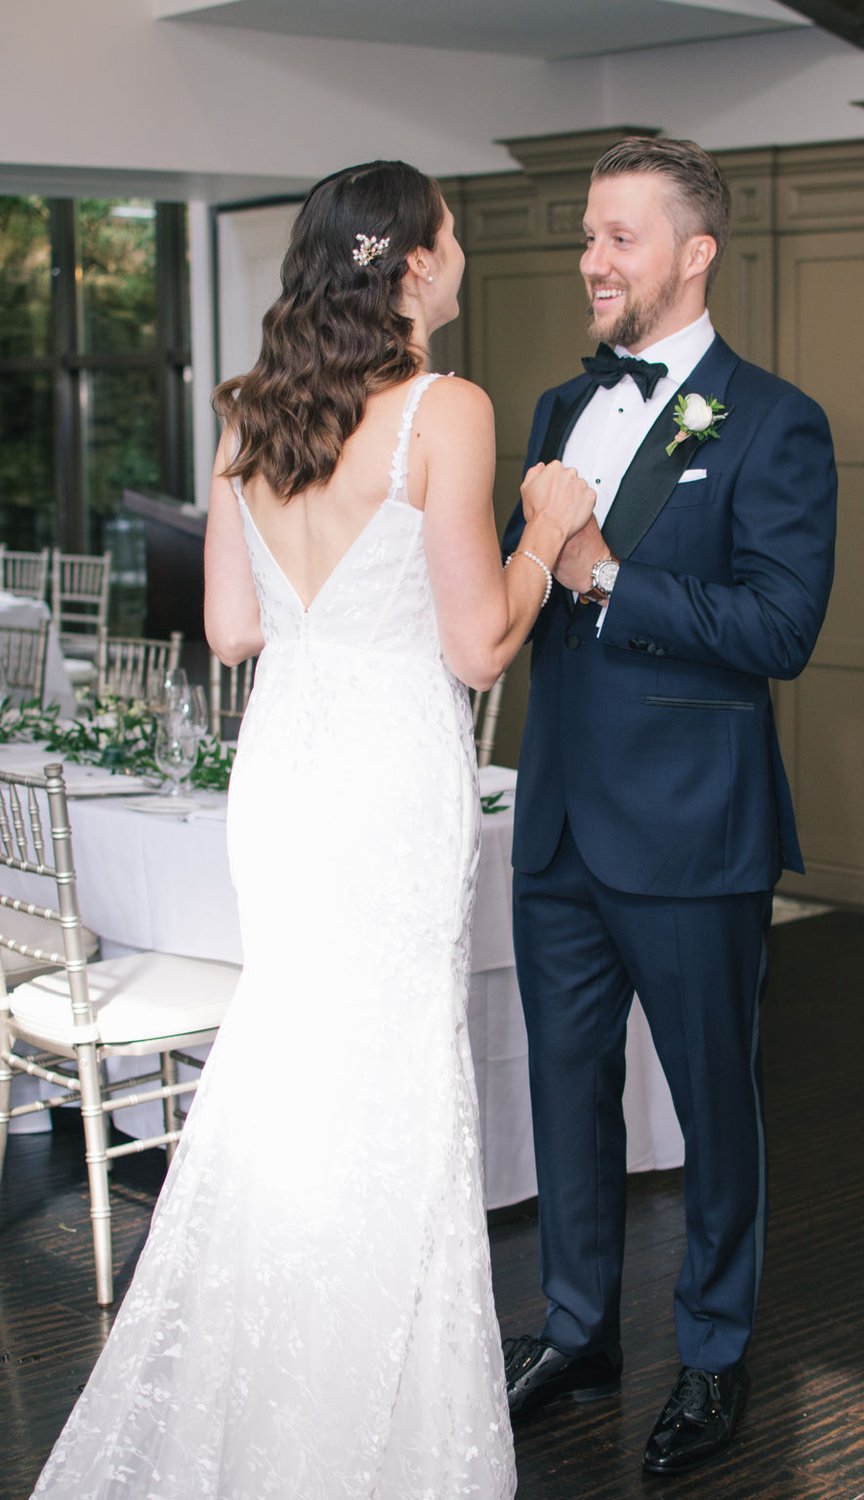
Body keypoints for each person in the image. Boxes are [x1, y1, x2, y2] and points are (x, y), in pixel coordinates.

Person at [30, 160, 594, 1499]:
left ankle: (265, 1389)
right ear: (409, 263)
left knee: (289, 1057)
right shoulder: (446, 408)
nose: (459, 257)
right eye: (449, 239)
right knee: (390, 1069)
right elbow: (474, 648)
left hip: (284, 769)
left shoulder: (250, 412)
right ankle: (364, 1425)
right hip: (392, 772)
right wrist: (545, 526)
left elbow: (231, 631)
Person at [501, 136, 837, 1476]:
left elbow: (780, 625)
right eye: (590, 234)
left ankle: (711, 1356)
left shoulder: (774, 420)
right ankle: (579, 1332)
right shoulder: (549, 409)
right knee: (566, 1094)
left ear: (695, 253)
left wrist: (601, 573)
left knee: (714, 1107)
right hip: (558, 826)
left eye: (621, 238)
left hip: (696, 833)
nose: (593, 259)